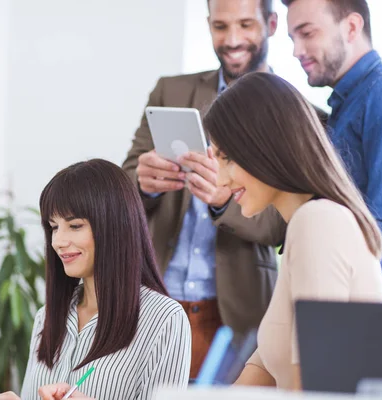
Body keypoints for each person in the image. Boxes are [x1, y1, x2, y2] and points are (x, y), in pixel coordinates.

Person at [122, 0, 288, 378]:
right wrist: (143, 185)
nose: (232, 39)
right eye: (220, 26)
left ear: (272, 23)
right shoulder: (171, 91)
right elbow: (126, 178)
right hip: (156, 303)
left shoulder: (295, 113)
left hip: (236, 313)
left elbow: (283, 224)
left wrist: (222, 203)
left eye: (246, 25)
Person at [199, 72, 382, 390]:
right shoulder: (306, 225)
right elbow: (260, 371)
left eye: (227, 158)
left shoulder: (318, 223)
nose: (220, 180)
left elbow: (317, 386)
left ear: (266, 146)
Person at [11, 159, 190, 400]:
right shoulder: (47, 317)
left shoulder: (164, 319)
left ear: (114, 227)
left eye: (74, 226)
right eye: (54, 227)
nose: (58, 241)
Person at [282, 0, 382, 303]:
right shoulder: (343, 106)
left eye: (307, 33)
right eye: (293, 38)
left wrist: (362, 322)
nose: (296, 51)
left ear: (352, 27)